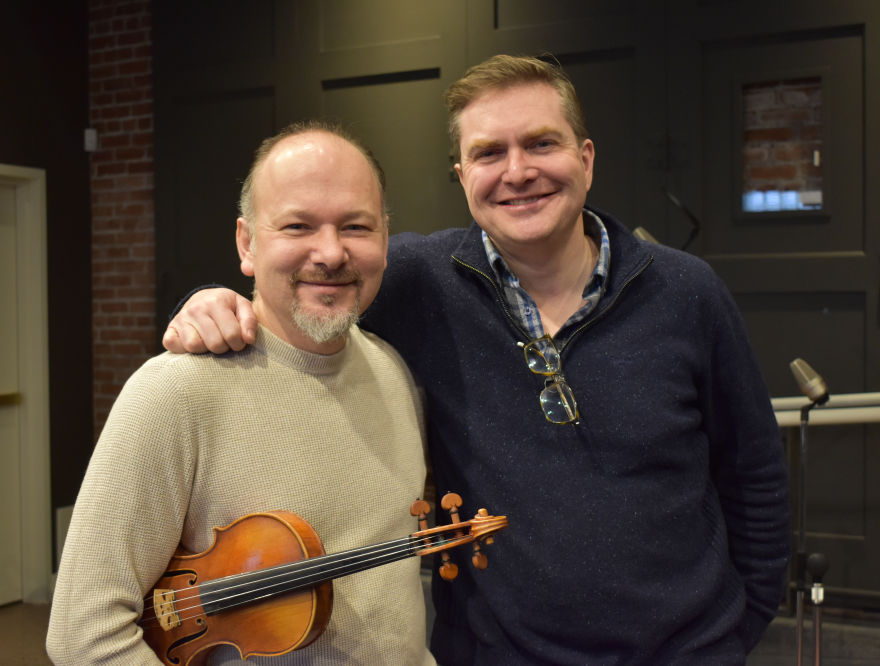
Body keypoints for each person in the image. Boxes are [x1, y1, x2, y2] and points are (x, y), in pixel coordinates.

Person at [164, 56, 791, 665]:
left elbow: (754, 471)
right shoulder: (415, 282)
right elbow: (305, 283)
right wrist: (214, 301)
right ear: (462, 174)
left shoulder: (686, 293)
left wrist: (741, 624)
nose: (517, 172)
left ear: (586, 158)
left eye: (542, 143)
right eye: (489, 153)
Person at [47, 121, 436, 666]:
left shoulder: (394, 374)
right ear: (247, 244)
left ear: (385, 240)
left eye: (356, 226)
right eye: (298, 226)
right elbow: (83, 634)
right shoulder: (173, 393)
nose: (330, 252)